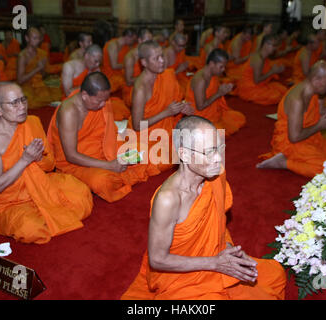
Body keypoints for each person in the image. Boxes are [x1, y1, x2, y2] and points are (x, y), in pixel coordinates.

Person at [121, 115, 286, 300]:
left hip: (213, 257)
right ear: (183, 154)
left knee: (275, 274)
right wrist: (215, 263)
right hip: (179, 275)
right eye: (208, 152)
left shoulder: (216, 175)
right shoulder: (168, 199)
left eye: (218, 149)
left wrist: (230, 254)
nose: (217, 159)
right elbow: (158, 259)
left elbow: (218, 222)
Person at [0, 82, 93, 244]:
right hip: (10, 201)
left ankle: (48, 213)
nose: (22, 107)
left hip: (40, 185)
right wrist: (25, 160)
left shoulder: (32, 122)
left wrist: (37, 158)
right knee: (32, 229)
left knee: (81, 195)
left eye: (23, 100)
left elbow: (50, 164)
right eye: (14, 103)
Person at [47, 72, 156, 203]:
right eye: (99, 101)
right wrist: (109, 165)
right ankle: (113, 172)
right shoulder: (69, 112)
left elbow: (108, 134)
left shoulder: (99, 102)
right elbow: (71, 156)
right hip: (75, 164)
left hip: (103, 151)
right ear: (84, 95)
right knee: (103, 182)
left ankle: (116, 169)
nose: (104, 104)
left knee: (142, 150)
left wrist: (121, 150)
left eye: (106, 99)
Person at [257, 61, 326, 178]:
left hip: (309, 137)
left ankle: (293, 159)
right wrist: (321, 126)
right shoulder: (297, 99)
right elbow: (294, 137)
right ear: (316, 80)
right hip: (290, 143)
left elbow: (312, 118)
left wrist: (325, 122)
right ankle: (284, 162)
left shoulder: (312, 91)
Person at [130, 40, 194, 172]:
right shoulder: (140, 88)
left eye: (162, 56)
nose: (162, 61)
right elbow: (137, 126)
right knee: (149, 161)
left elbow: (175, 100)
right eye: (156, 58)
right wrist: (166, 112)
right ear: (144, 62)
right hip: (146, 135)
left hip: (168, 126)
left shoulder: (168, 75)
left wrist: (182, 107)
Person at [185, 49, 246, 136]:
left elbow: (213, 92)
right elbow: (200, 106)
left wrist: (224, 89)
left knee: (238, 117)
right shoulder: (201, 80)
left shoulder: (213, 74)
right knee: (216, 133)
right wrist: (219, 93)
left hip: (214, 113)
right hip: (199, 118)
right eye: (221, 67)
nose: (223, 70)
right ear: (211, 64)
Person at [61, 44, 130, 120]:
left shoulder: (95, 68)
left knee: (115, 106)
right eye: (95, 61)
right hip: (74, 101)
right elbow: (68, 92)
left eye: (99, 63)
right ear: (87, 56)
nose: (97, 65)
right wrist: (90, 84)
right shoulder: (69, 66)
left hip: (93, 100)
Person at [233, 34, 287, 106]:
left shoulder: (264, 57)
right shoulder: (258, 59)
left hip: (260, 85)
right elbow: (257, 80)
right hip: (249, 88)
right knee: (276, 96)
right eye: (274, 46)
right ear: (266, 44)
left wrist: (275, 70)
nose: (275, 48)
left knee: (283, 90)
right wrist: (272, 71)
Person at [17, 27, 62, 109]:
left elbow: (44, 75)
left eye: (38, 38)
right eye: (34, 38)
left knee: (56, 90)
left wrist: (42, 69)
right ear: (27, 38)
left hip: (40, 84)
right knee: (27, 101)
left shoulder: (42, 53)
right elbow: (20, 80)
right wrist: (37, 68)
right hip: (27, 86)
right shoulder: (22, 56)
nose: (37, 41)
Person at [123, 28, 153, 107]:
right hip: (132, 89)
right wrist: (147, 76)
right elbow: (129, 81)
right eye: (147, 41)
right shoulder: (130, 57)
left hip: (147, 85)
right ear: (140, 40)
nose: (150, 45)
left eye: (151, 42)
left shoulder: (150, 54)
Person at [102, 28, 137, 93]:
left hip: (120, 73)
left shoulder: (126, 46)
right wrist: (129, 64)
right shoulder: (113, 45)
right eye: (133, 40)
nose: (133, 42)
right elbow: (114, 66)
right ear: (128, 37)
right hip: (110, 76)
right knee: (129, 84)